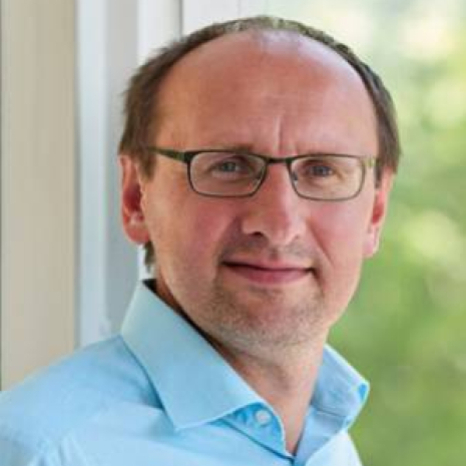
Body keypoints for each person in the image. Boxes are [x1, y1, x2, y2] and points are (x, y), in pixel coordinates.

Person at [0, 16, 400, 466]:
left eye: (322, 170)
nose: (278, 223)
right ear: (136, 198)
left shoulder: (328, 442)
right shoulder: (38, 451)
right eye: (229, 165)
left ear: (376, 211)